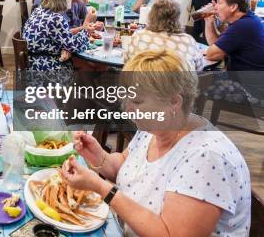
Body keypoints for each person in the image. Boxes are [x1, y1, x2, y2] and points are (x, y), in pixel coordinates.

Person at [61, 49, 251, 236]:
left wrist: (103, 189)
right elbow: (127, 167)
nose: (127, 108)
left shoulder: (207, 157)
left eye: (136, 101)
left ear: (173, 101)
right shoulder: (155, 127)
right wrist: (99, 156)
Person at [23, 0, 95, 71]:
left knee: (84, 64)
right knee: (90, 66)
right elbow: (73, 46)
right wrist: (87, 27)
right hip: (46, 67)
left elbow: (63, 36)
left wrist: (67, 48)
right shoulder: (56, 18)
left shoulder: (39, 11)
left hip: (33, 63)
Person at [124, 0, 204, 71]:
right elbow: (199, 68)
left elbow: (127, 61)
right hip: (179, 84)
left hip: (144, 84)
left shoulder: (139, 36)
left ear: (151, 15)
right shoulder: (188, 40)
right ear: (177, 17)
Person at [204, 0, 264, 70]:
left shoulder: (242, 26)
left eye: (219, 3)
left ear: (233, 7)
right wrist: (209, 22)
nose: (215, 7)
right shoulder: (247, 20)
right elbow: (217, 44)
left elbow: (212, 55)